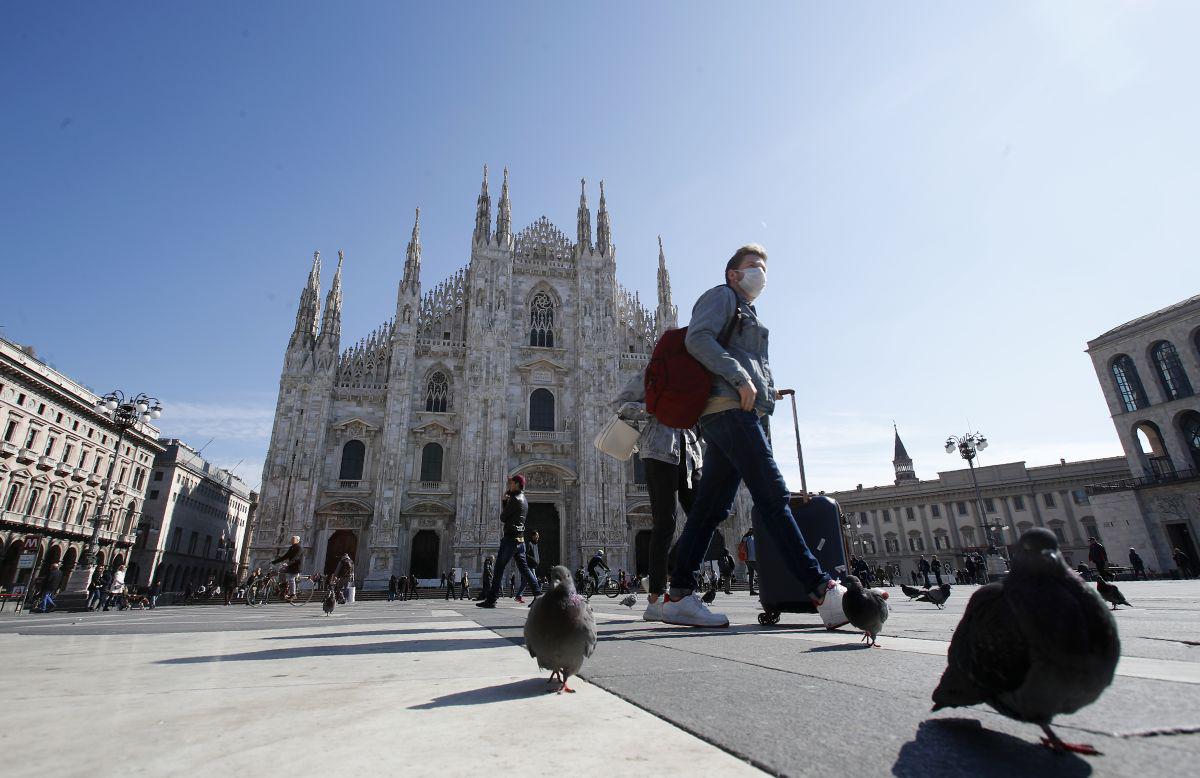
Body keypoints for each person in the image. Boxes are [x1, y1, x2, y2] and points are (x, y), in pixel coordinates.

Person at [662, 244, 842, 628]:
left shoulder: (746, 310)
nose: (760, 272)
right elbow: (698, 338)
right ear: (733, 273)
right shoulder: (721, 296)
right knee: (773, 496)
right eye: (753, 266)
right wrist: (741, 378)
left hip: (737, 411)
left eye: (763, 267)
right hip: (729, 411)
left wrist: (763, 390)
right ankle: (822, 589)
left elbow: (740, 358)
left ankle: (678, 594)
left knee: (711, 509)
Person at [612, 367, 703, 620]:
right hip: (659, 449)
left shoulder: (696, 374)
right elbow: (621, 404)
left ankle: (669, 570)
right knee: (666, 523)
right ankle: (655, 598)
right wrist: (654, 409)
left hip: (691, 453)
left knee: (704, 517)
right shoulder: (653, 372)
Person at [477, 475, 542, 608]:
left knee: (499, 569)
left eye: (511, 482)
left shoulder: (514, 499)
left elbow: (503, 517)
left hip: (510, 540)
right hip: (521, 540)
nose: (509, 485)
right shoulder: (524, 500)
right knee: (525, 569)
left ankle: (491, 599)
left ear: (517, 484)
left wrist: (504, 501)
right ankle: (538, 594)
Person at [271, 535, 303, 601]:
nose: (291, 540)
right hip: (291, 566)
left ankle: (293, 594)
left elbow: (295, 558)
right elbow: (285, 556)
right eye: (291, 539)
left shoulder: (299, 548)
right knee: (281, 570)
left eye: (293, 539)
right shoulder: (291, 548)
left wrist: (287, 563)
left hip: (296, 567)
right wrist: (274, 562)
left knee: (291, 579)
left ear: (297, 541)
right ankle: (283, 585)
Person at [514, 531, 542, 603]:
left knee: (525, 581)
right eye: (536, 536)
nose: (538, 537)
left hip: (533, 565)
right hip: (529, 566)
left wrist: (536, 561)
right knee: (534, 580)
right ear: (533, 536)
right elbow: (525, 554)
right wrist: (533, 560)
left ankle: (518, 596)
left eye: (538, 536)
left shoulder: (535, 544)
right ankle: (537, 596)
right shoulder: (529, 544)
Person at [740, 528, 758, 596]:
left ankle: (751, 591)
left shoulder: (745, 538)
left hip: (747, 559)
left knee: (751, 575)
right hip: (752, 559)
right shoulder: (750, 538)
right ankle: (763, 590)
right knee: (760, 574)